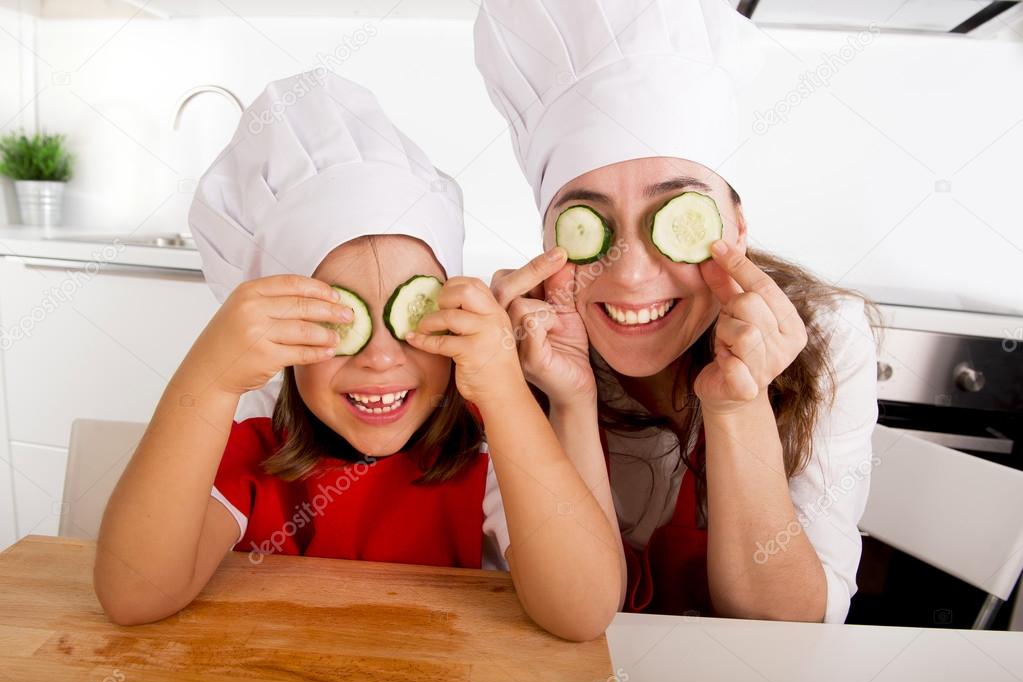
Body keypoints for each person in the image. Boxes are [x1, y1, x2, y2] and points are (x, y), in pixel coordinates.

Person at [94, 71, 623, 641]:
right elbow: (134, 595)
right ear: (278, 340)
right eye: (335, 318)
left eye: (412, 314)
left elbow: (583, 613)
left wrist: (505, 392)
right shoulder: (251, 439)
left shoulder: (489, 448)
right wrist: (209, 379)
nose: (378, 356)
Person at [476, 0, 881, 622]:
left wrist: (737, 407)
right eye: (590, 225)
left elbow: (788, 632)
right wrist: (569, 400)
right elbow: (578, 610)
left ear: (738, 227)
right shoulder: (515, 346)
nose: (633, 273)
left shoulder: (829, 338)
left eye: (678, 219)